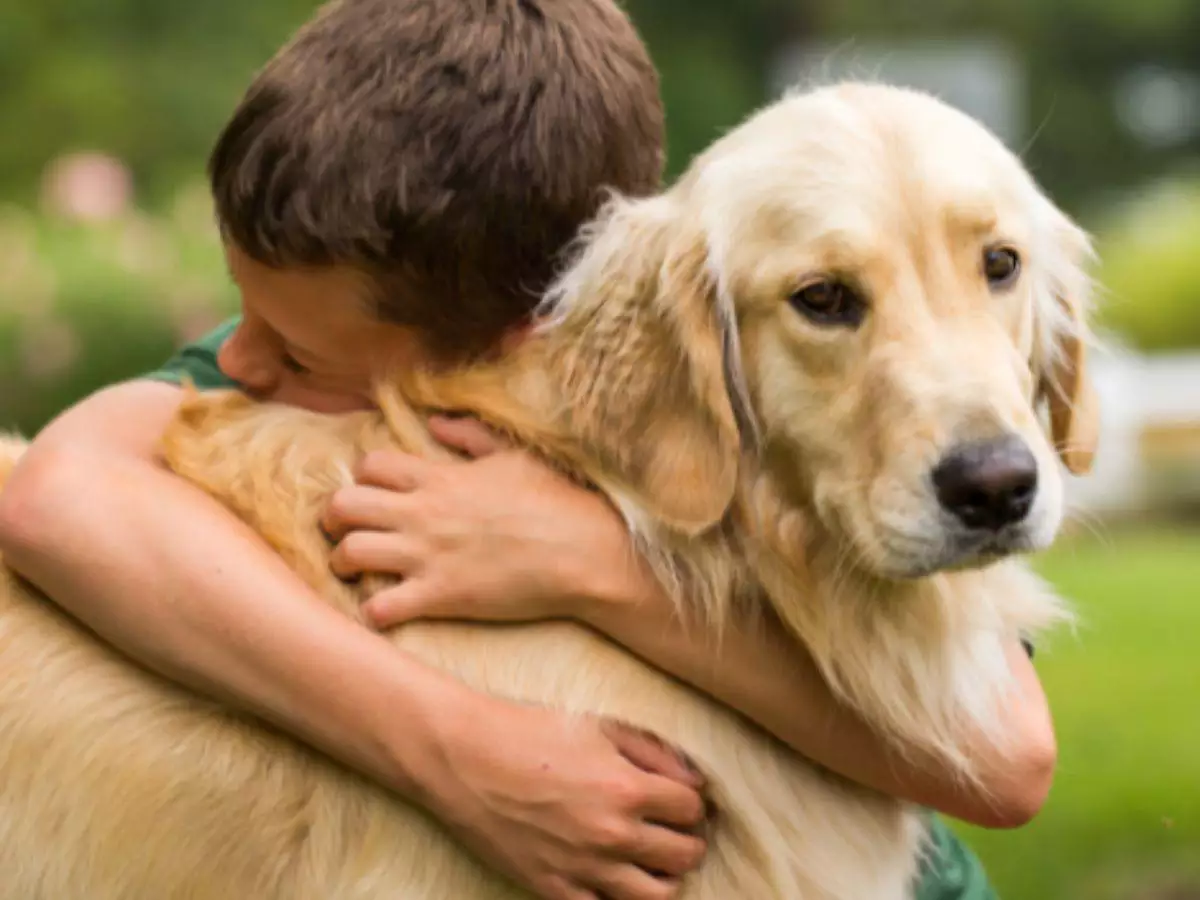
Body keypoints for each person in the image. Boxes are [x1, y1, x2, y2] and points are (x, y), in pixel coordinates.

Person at [0, 2, 1052, 898]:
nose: (242, 359)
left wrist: (593, 567)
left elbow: (1007, 762)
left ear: (511, 345)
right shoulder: (302, 357)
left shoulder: (643, 359)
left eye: (295, 345)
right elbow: (52, 497)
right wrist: (455, 747)